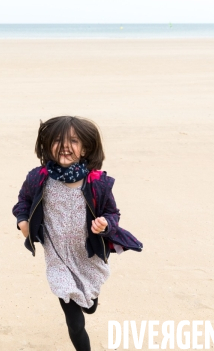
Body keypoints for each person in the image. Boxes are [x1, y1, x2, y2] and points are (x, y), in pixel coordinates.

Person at [12, 116, 143, 351]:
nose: (65, 146)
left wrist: (105, 224)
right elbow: (23, 202)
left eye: (73, 140)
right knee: (74, 321)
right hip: (57, 258)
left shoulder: (96, 183)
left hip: (87, 256)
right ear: (47, 145)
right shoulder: (38, 178)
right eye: (58, 140)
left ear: (85, 149)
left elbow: (112, 213)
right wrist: (22, 221)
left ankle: (90, 300)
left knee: (90, 305)